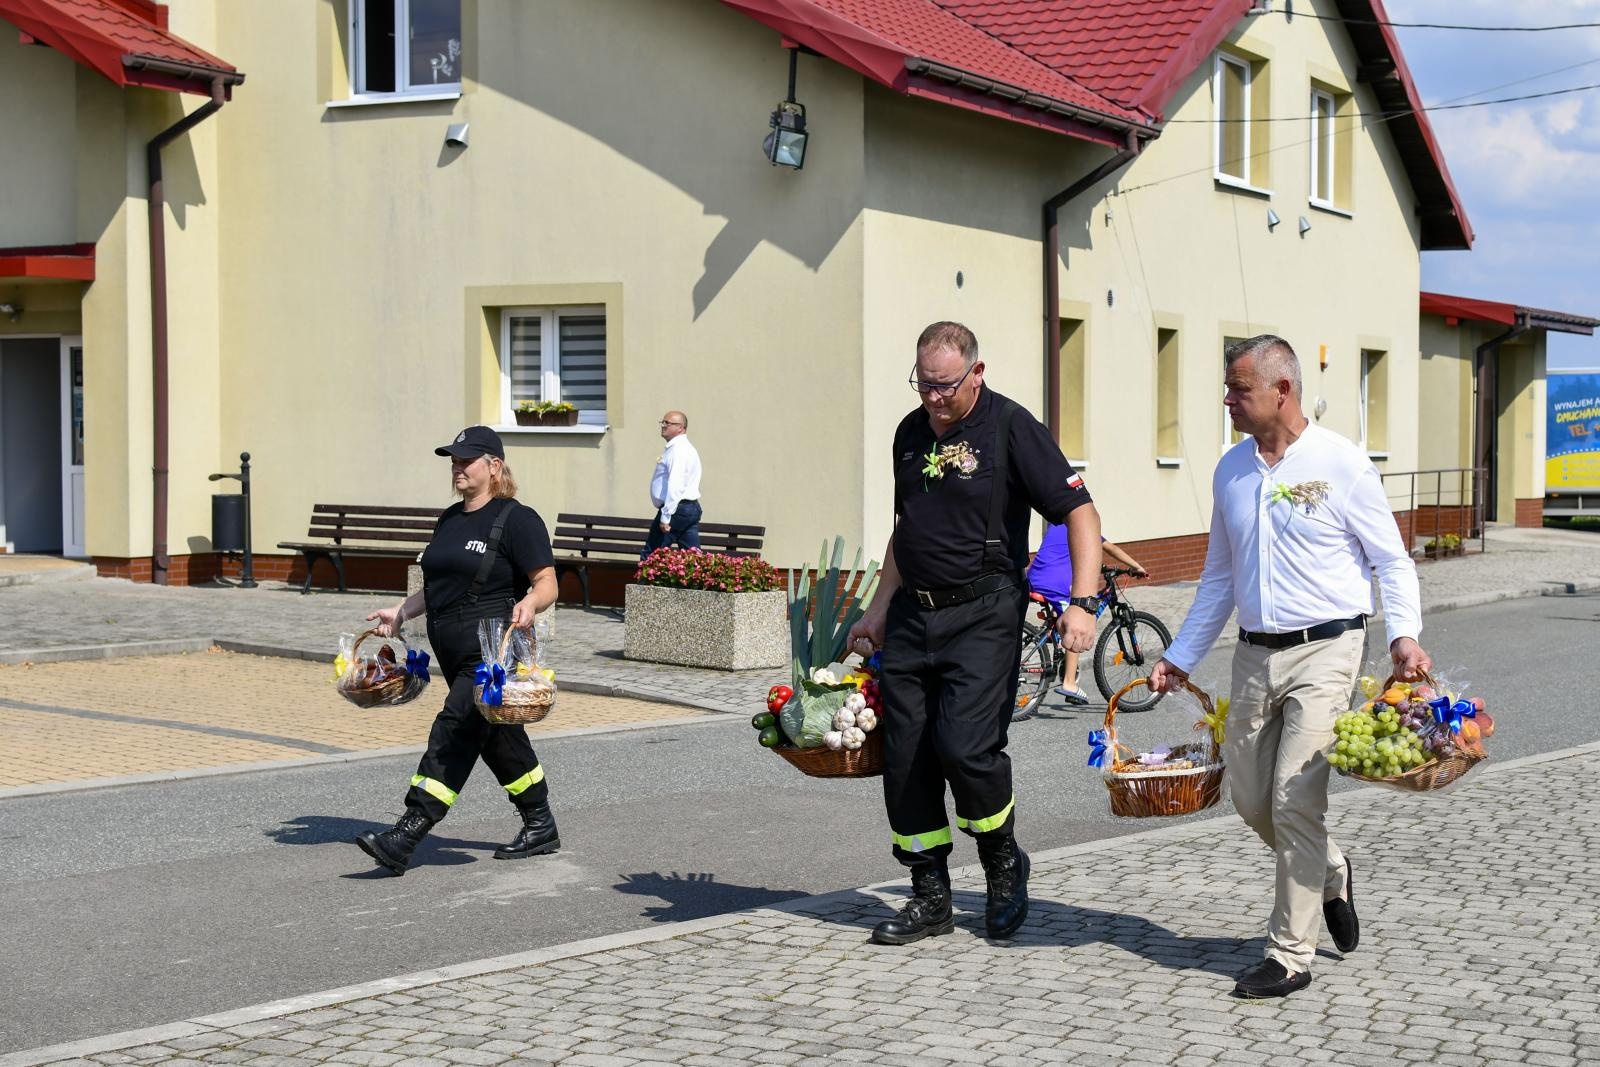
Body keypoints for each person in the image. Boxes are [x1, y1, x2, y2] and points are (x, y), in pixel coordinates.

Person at [1148, 335, 1430, 999]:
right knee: (1249, 797)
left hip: (1329, 650)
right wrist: (1179, 656)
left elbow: (1391, 560)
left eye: (1239, 389)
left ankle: (1288, 955)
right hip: (1253, 653)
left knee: (1294, 798)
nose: (1227, 399)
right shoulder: (1231, 470)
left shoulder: (1342, 463)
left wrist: (1404, 635)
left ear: (1283, 390)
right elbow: (1219, 576)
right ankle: (1331, 870)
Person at [847, 321, 1103, 946]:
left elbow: (1080, 512)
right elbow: (903, 532)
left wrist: (1083, 602)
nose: (932, 398)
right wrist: (877, 609)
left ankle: (1002, 863)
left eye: (944, 386)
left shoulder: (1011, 427)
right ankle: (929, 896)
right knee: (905, 758)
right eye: (923, 384)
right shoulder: (909, 433)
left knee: (965, 747)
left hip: (984, 613)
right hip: (912, 614)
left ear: (976, 374)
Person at [355, 425, 562, 876]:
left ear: (494, 467)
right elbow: (439, 587)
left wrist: (530, 602)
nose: (457, 467)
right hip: (449, 648)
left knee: (455, 726)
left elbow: (546, 581)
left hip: (492, 655)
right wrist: (401, 612)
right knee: (493, 735)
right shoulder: (450, 519)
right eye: (453, 459)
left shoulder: (517, 519)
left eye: (466, 460)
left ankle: (408, 831)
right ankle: (540, 823)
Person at [1026, 529, 1148, 705]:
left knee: (1063, 614)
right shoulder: (1080, 523)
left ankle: (1058, 649)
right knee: (1077, 620)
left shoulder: (1057, 520)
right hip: (1053, 583)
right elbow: (1111, 548)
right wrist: (1136, 567)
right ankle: (1069, 683)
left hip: (1035, 577)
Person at [642, 410, 702, 557]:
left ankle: (643, 581)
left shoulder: (679, 450)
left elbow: (676, 484)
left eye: (667, 423)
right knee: (693, 559)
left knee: (652, 556)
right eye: (662, 422)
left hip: (676, 510)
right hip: (688, 508)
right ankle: (700, 580)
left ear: (680, 428)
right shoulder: (681, 448)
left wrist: (666, 516)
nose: (663, 425)